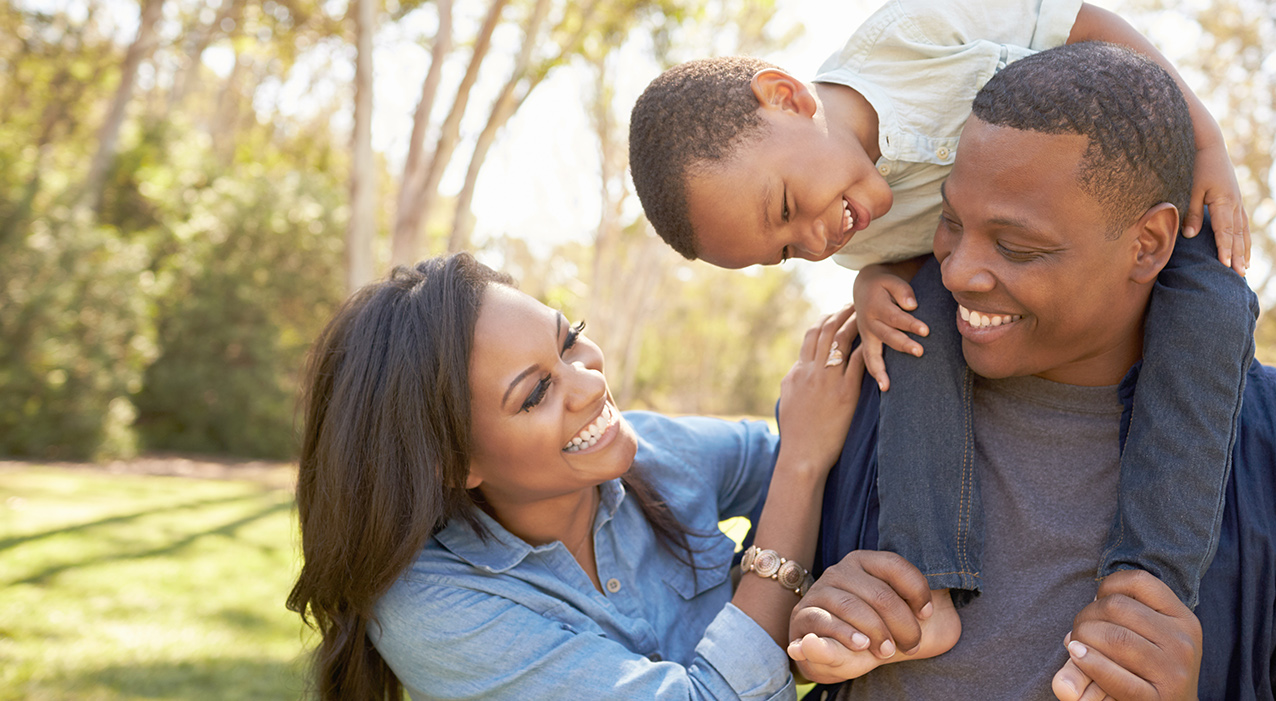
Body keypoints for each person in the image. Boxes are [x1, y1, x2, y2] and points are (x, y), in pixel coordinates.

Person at [627, 0, 1256, 642]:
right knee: (910, 332)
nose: (814, 240)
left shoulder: (910, 37)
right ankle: (924, 586)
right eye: (785, 249)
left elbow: (1086, 25)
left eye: (785, 207)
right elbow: (916, 255)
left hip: (1123, 208)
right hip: (992, 274)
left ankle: (1150, 585)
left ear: (784, 97)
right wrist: (871, 282)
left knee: (1215, 304)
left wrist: (1206, 140)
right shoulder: (850, 229)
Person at [785, 41, 1276, 699]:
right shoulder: (867, 388)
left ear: (1150, 243)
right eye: (951, 221)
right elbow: (750, 626)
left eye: (1018, 246)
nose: (958, 271)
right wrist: (810, 631)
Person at [285, 252, 899, 701]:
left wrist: (879, 282)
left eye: (570, 340)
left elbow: (842, 471)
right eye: (535, 394)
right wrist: (800, 469)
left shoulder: (653, 452)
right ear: (452, 463)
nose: (590, 382)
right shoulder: (435, 608)